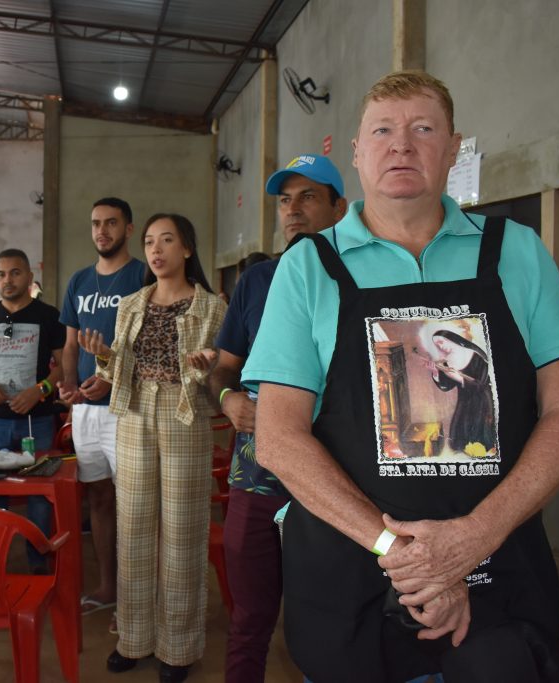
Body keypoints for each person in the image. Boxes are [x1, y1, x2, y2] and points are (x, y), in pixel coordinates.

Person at [246, 71, 559, 683]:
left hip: (498, 565)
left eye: (423, 129)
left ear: (454, 147)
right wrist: (402, 552)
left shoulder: (517, 251)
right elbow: (278, 438)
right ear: (356, 152)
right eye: (382, 130)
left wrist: (474, 537)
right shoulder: (307, 268)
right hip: (351, 574)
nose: (401, 145)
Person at [209, 154, 346, 683]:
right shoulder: (257, 281)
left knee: (336, 615)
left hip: (337, 477)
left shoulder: (357, 277)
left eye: (308, 196)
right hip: (257, 473)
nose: (293, 209)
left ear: (339, 206)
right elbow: (222, 371)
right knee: (250, 618)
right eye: (285, 200)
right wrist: (227, 401)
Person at [80, 214, 226, 683]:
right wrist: (102, 359)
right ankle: (134, 638)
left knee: (182, 531)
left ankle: (178, 648)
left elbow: (224, 374)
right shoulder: (130, 304)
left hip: (185, 416)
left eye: (167, 240)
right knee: (134, 527)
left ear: (187, 249)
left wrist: (210, 364)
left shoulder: (211, 307)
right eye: (149, 242)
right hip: (134, 411)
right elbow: (117, 367)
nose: (157, 249)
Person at [58, 197, 145, 619]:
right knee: (99, 498)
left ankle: (138, 592)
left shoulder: (143, 275)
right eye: (96, 223)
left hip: (129, 406)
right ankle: (109, 585)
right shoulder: (78, 280)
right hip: (86, 411)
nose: (102, 231)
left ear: (129, 229)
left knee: (136, 501)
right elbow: (71, 345)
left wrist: (112, 375)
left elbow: (151, 346)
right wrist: (69, 384)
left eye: (111, 223)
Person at [0, 248, 66, 573]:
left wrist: (40, 390)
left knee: (39, 494)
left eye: (15, 273)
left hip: (38, 421)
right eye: (1, 274)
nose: (8, 280)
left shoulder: (49, 316)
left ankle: (39, 562)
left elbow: (64, 366)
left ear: (30, 277)